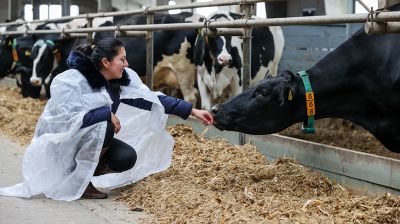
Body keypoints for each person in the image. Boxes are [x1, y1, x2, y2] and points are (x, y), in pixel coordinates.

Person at [0, 38, 213, 201]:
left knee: (126, 158)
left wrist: (192, 111)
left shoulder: (118, 83)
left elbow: (151, 99)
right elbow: (64, 121)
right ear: (105, 61)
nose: (127, 63)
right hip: (62, 145)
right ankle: (78, 181)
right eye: (122, 59)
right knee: (106, 126)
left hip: (87, 140)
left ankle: (84, 176)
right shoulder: (73, 81)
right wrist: (106, 113)